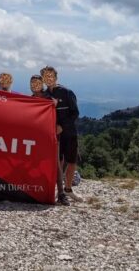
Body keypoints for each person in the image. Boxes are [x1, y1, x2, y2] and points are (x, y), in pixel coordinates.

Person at [41, 65, 81, 203]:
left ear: (56, 77)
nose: (49, 78)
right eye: (46, 76)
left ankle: (68, 189)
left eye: (51, 75)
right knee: (57, 162)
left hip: (69, 133)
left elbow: (75, 113)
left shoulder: (67, 92)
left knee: (71, 161)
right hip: (53, 135)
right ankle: (59, 191)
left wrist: (62, 127)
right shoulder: (44, 95)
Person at [31, 74, 69, 206]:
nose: (35, 85)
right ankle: (35, 191)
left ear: (42, 84)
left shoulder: (50, 99)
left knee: (55, 163)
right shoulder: (28, 100)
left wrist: (61, 126)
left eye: (37, 83)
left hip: (51, 135)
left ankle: (61, 194)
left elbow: (61, 114)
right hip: (35, 136)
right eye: (32, 83)